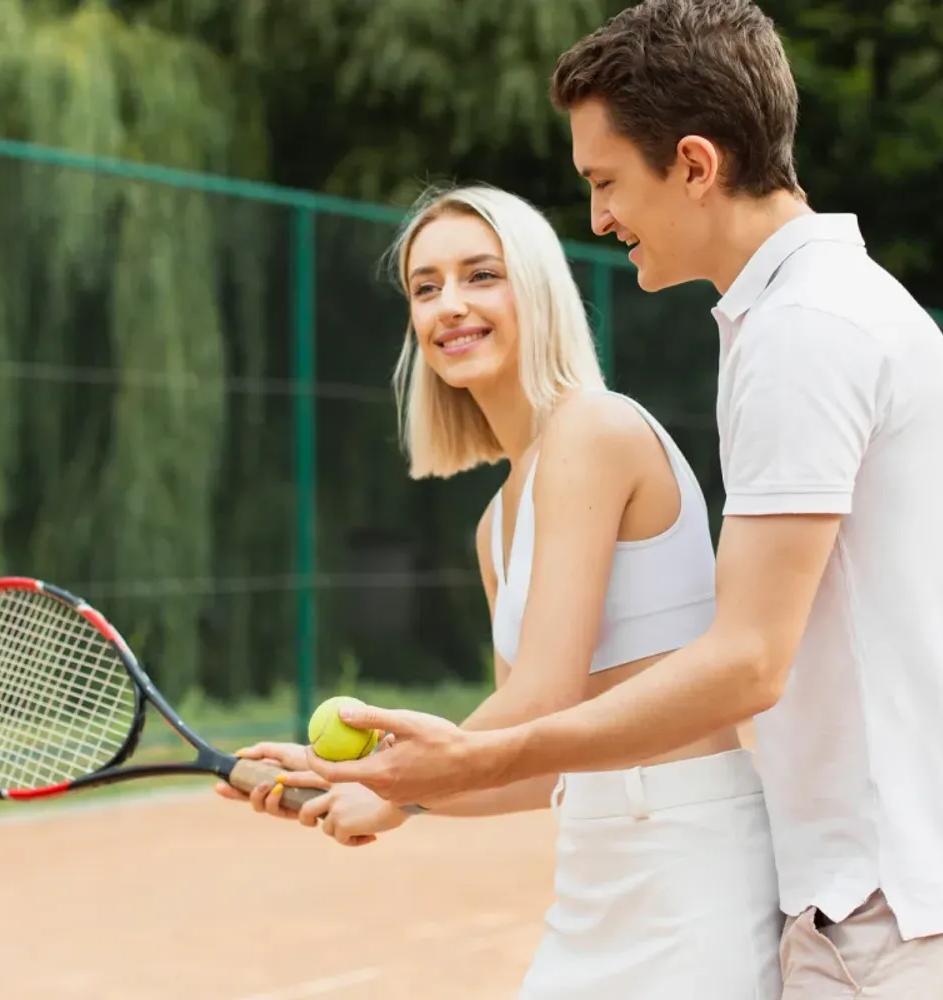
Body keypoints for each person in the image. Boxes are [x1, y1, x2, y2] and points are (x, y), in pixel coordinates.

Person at [304, 2, 943, 999]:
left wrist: (437, 766)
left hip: (891, 890)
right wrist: (415, 782)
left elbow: (746, 661)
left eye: (606, 182)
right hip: (863, 883)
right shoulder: (793, 318)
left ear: (695, 165)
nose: (600, 220)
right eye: (424, 286)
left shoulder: (805, 330)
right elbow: (569, 743)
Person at [215, 182, 785, 999]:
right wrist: (354, 781)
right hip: (595, 868)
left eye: (481, 275)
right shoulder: (495, 523)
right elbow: (532, 770)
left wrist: (389, 782)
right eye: (425, 286)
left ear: (537, 289)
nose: (450, 305)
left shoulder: (594, 429)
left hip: (695, 864)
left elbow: (545, 697)